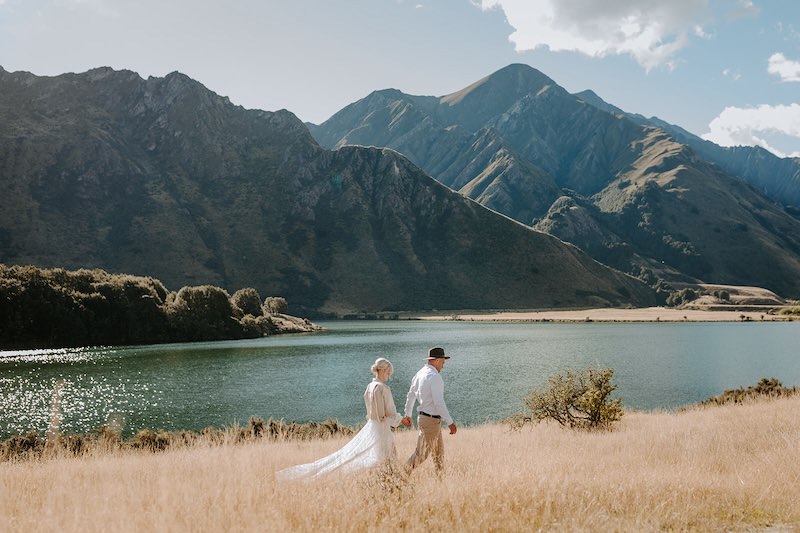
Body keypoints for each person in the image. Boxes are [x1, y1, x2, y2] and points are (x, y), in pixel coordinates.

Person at [276, 357, 411, 481]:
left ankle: (384, 480)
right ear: (382, 370)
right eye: (388, 371)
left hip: (372, 425)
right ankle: (389, 482)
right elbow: (388, 415)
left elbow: (372, 412)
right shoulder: (382, 388)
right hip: (381, 428)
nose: (390, 374)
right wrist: (401, 420)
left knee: (370, 455)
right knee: (386, 456)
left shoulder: (370, 387)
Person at [402, 346, 457, 474]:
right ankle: (401, 475)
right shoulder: (435, 377)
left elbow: (411, 395)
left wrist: (408, 414)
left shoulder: (419, 374)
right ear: (437, 360)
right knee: (421, 454)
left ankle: (440, 483)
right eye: (443, 362)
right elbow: (438, 403)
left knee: (438, 455)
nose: (443, 366)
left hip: (425, 419)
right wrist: (450, 422)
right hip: (431, 421)